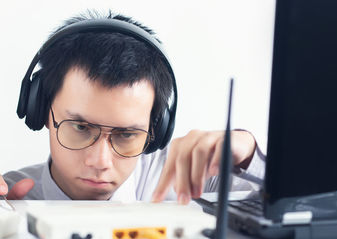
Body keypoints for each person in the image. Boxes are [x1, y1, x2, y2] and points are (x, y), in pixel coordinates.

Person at [0, 11, 265, 204]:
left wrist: (250, 156)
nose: (100, 162)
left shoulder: (192, 178)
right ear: (42, 110)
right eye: (80, 127)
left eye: (126, 134)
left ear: (156, 130)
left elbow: (299, 204)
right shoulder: (9, 197)